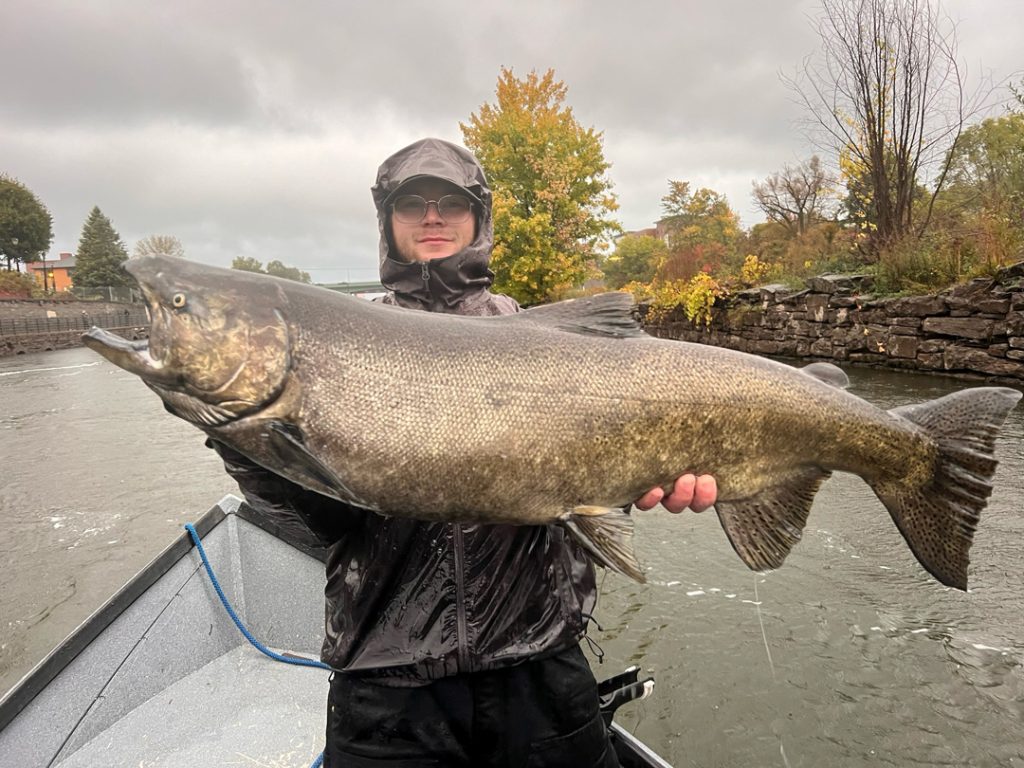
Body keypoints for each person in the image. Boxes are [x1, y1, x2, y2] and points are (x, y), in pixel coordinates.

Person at [214, 137, 717, 767]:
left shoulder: (547, 337)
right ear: (386, 223)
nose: (431, 216)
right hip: (388, 692)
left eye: (450, 202)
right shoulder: (337, 345)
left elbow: (598, 465)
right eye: (411, 203)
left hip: (539, 674)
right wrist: (248, 435)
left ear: (478, 219)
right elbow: (325, 523)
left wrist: (644, 481)